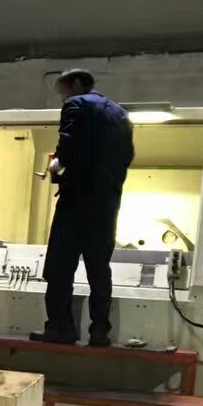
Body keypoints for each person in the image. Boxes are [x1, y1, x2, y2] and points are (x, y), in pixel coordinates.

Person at [31, 69, 135, 347]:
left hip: (76, 201)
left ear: (76, 84)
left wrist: (56, 165)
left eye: (63, 91)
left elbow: (67, 144)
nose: (62, 97)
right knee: (99, 269)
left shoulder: (76, 104)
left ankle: (60, 329)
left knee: (59, 267)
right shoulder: (121, 115)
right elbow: (128, 156)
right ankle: (100, 332)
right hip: (108, 204)